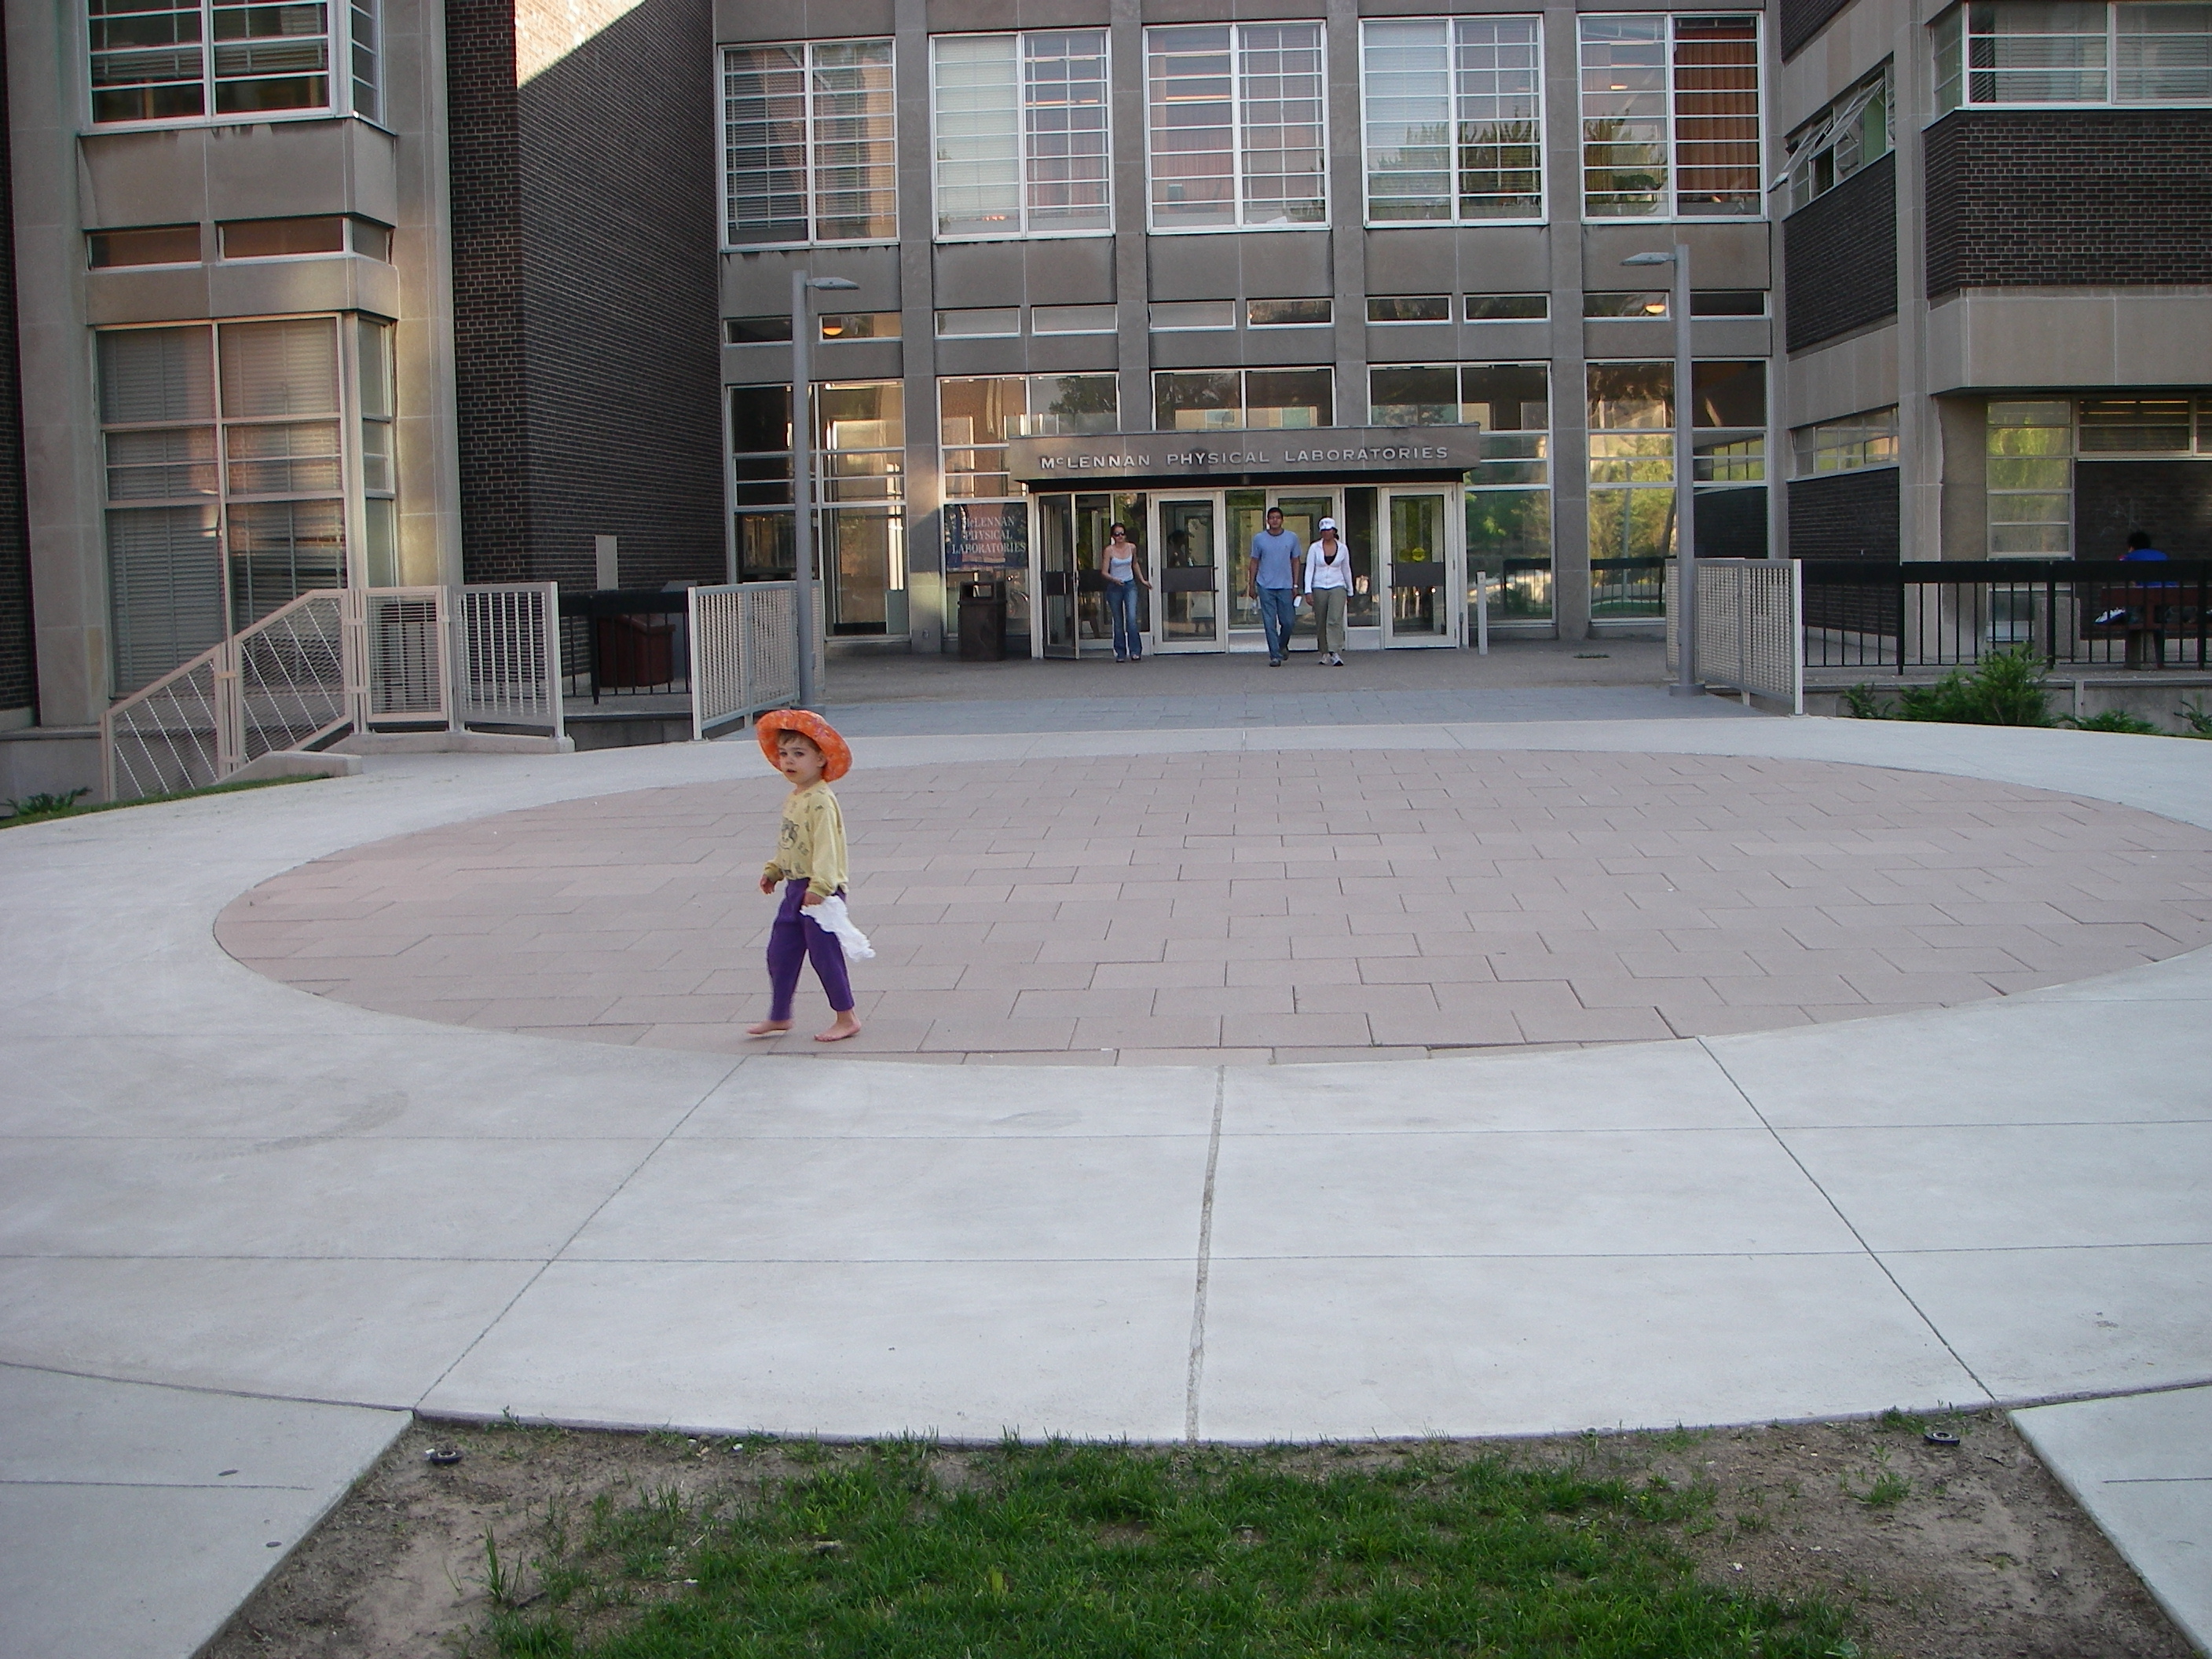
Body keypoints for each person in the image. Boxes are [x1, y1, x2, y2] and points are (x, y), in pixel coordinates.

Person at [747, 709, 862, 1043]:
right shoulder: (796, 797)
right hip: (796, 888)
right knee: (780, 951)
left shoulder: (821, 801)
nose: (789, 761)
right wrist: (775, 869)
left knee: (824, 955)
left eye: (799, 754)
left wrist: (821, 886)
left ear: (821, 758)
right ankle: (779, 1014)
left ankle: (846, 1016)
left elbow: (827, 847)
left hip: (819, 890)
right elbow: (791, 841)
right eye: (784, 754)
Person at [1248, 505, 1303, 665]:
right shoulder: (1259, 539)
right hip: (1265, 585)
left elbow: (1296, 561)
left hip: (1286, 585)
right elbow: (1254, 561)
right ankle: (1275, 655)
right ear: (1267, 520)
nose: (1274, 520)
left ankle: (1281, 645)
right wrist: (1251, 585)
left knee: (1288, 622)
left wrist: (1295, 584)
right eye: (1272, 518)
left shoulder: (1292, 538)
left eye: (1277, 518)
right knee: (1269, 622)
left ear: (1282, 520)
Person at [1304, 516, 1352, 666]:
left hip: (1337, 585)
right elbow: (1309, 569)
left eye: (1329, 530)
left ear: (1334, 531)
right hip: (1319, 586)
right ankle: (1324, 652)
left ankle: (1335, 651)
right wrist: (1308, 590)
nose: (1326, 533)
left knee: (1335, 619)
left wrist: (1350, 590)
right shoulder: (1314, 548)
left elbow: (1346, 569)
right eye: (1323, 531)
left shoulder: (1343, 548)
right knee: (1321, 620)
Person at [1101, 522, 1149, 662]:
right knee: (1118, 621)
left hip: (1130, 585)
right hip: (1114, 586)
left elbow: (1135, 564)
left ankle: (1135, 651)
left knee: (1132, 618)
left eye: (1122, 534)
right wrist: (1114, 579)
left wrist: (1142, 580)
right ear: (1113, 536)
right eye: (1117, 534)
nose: (1120, 537)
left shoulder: (1132, 547)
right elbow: (1104, 572)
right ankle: (1120, 652)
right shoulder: (1109, 550)